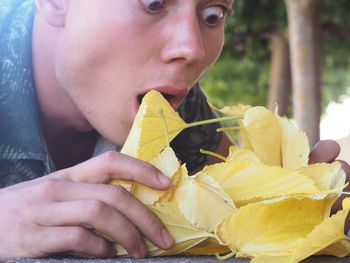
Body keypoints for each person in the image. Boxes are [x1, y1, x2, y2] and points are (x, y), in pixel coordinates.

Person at [0, 0, 349, 261]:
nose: (192, 49)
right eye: (153, 2)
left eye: (213, 15)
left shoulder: (171, 104)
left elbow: (232, 203)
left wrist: (298, 206)